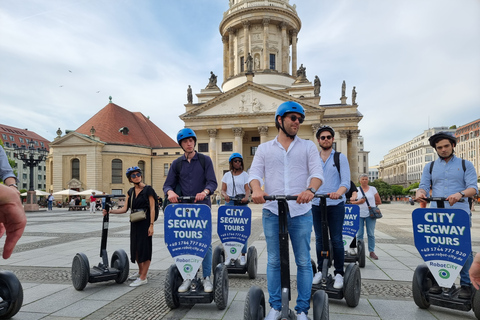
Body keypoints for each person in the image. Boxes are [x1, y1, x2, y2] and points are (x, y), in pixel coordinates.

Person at [248, 101, 323, 320]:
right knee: (273, 260)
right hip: (272, 210)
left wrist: (311, 189)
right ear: (280, 120)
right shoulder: (264, 149)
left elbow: (317, 173)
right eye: (293, 118)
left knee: (302, 260)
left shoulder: (308, 146)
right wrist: (256, 189)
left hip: (300, 211)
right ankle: (276, 307)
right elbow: (254, 174)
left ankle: (301, 310)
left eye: (300, 119)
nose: (297, 122)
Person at [416, 131, 478, 299]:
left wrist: (460, 194)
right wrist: (420, 192)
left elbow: (474, 188)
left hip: (459, 213)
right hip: (437, 213)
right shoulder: (430, 166)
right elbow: (423, 185)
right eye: (439, 147)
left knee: (462, 248)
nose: (443, 150)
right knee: (439, 247)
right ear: (436, 149)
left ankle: (466, 284)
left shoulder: (466, 165)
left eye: (446, 146)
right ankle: (441, 281)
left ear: (453, 146)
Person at [163, 128, 218, 293]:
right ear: (181, 144)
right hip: (184, 210)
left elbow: (212, 182)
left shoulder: (204, 160)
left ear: (194, 142)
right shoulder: (176, 164)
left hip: (202, 208)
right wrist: (170, 192)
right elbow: (167, 184)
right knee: (186, 243)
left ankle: (207, 277)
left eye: (191, 141)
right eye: (185, 142)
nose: (189, 144)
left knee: (205, 243)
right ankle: (188, 276)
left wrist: (205, 192)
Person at [311, 125, 351, 289]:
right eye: (322, 137)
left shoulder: (339, 158)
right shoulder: (314, 158)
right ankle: (321, 270)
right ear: (318, 140)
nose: (325, 139)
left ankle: (339, 273)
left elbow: (345, 182)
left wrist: (338, 192)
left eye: (328, 137)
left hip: (335, 204)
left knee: (336, 239)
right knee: (320, 239)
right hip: (316, 204)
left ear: (332, 139)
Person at [103, 166, 156, 287]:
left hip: (145, 222)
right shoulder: (130, 192)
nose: (136, 177)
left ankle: (143, 277)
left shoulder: (148, 190)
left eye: (138, 174)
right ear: (129, 178)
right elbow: (124, 209)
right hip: (134, 222)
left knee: (145, 249)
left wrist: (151, 225)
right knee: (136, 249)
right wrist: (110, 211)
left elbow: (152, 208)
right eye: (133, 175)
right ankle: (140, 272)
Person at [221, 152, 251, 265]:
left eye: (239, 161)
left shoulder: (245, 175)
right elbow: (223, 189)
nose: (238, 163)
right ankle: (230, 255)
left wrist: (246, 197)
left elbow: (247, 189)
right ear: (231, 163)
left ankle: (243, 255)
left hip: (242, 203)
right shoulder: (227, 175)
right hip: (229, 204)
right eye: (235, 161)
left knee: (242, 230)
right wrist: (225, 195)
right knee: (229, 229)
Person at [350, 173, 381, 260]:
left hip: (370, 215)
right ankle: (360, 251)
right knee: (359, 234)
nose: (364, 181)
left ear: (368, 180)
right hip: (359, 214)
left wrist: (372, 207)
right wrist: (359, 202)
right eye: (363, 179)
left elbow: (378, 201)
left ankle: (372, 251)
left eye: (366, 179)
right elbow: (351, 201)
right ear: (359, 180)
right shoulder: (356, 190)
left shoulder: (373, 189)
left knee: (371, 233)